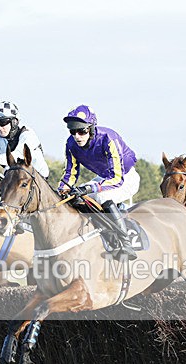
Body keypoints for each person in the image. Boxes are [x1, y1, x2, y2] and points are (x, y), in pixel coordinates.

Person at [57, 104, 140, 259]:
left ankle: (125, 244)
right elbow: (71, 172)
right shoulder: (71, 144)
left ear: (92, 128)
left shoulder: (109, 138)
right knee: (76, 197)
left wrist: (90, 188)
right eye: (73, 131)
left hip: (125, 177)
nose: (77, 136)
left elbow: (116, 178)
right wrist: (61, 189)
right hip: (104, 178)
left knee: (102, 198)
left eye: (82, 131)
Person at [0, 101, 49, 178]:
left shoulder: (28, 135)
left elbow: (17, 156)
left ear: (14, 122)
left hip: (38, 179)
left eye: (3, 123)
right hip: (16, 178)